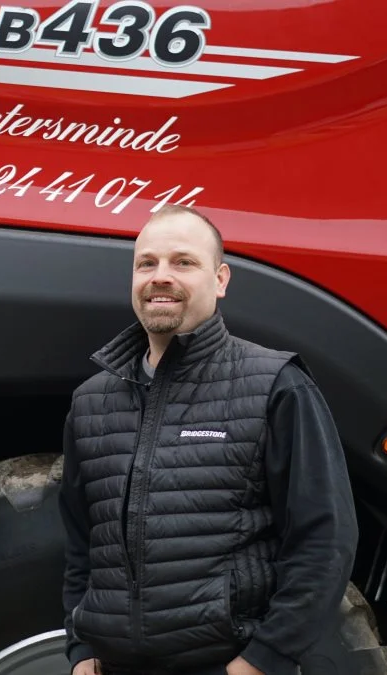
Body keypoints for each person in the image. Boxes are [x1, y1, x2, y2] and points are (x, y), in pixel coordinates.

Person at [59, 206, 359, 675]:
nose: (161, 277)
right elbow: (82, 545)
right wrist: (81, 649)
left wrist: (263, 661)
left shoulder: (276, 385)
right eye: (147, 264)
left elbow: (324, 539)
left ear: (220, 279)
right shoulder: (91, 402)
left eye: (183, 262)